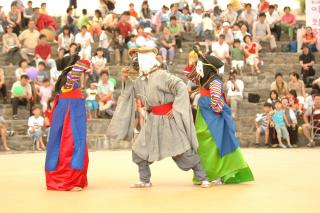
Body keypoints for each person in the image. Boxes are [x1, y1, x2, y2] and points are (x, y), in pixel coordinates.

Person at [107, 47, 211, 188]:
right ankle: (145, 180)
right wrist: (125, 78)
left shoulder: (162, 74)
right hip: (153, 120)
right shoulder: (142, 79)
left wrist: (176, 109)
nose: (135, 64)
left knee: (182, 151)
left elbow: (180, 87)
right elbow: (131, 90)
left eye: (137, 60)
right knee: (139, 150)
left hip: (169, 120)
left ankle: (203, 177)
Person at [184, 48, 254, 184]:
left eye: (202, 66)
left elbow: (216, 101)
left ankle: (218, 173)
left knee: (214, 144)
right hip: (205, 115)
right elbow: (190, 75)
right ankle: (209, 174)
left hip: (212, 116)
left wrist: (217, 110)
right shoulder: (205, 79)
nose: (199, 68)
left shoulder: (214, 81)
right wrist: (196, 60)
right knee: (206, 145)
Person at [45, 59, 91, 191]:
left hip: (71, 116)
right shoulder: (69, 81)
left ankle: (76, 179)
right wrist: (75, 59)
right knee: (68, 146)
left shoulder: (67, 82)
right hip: (68, 118)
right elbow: (83, 64)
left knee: (72, 145)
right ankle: (68, 182)